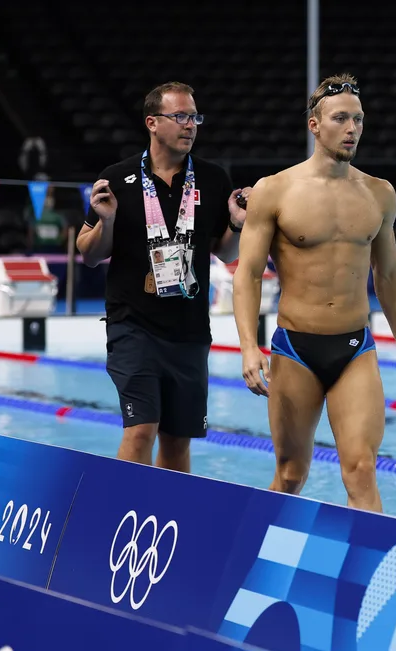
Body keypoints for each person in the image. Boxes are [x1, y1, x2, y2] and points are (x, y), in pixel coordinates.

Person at [232, 73, 396, 512]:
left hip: (355, 348)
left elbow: (390, 276)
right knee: (290, 475)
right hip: (296, 350)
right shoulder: (275, 190)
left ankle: (375, 578)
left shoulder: (379, 193)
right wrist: (248, 347)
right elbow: (246, 274)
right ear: (314, 125)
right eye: (340, 118)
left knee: (361, 469)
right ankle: (252, 563)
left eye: (358, 119)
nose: (352, 128)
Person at [76, 81, 250, 471]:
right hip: (133, 326)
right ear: (152, 122)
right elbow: (88, 254)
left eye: (195, 117)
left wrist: (238, 226)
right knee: (140, 429)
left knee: (176, 444)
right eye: (181, 117)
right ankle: (122, 521)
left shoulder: (212, 178)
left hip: (188, 330)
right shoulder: (118, 179)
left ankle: (172, 526)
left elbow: (225, 253)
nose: (191, 125)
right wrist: (106, 222)